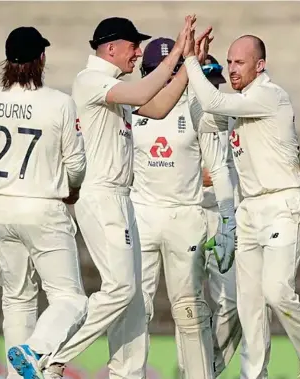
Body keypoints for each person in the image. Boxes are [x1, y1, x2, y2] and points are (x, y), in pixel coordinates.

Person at [42, 16, 208, 379]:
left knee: (133, 304)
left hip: (121, 198)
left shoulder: (113, 86)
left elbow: (159, 106)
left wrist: (189, 62)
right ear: (111, 47)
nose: (137, 54)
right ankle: (51, 359)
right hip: (100, 196)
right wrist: (177, 51)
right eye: (134, 46)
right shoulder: (90, 81)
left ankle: (126, 374)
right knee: (120, 289)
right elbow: (143, 93)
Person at [183, 33, 300, 378]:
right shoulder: (241, 103)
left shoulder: (269, 96)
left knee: (277, 291)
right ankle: (254, 374)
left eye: (240, 63)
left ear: (259, 65)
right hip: (249, 209)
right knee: (248, 304)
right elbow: (201, 118)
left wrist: (191, 60)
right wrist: (201, 71)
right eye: (229, 62)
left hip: (283, 202)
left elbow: (214, 105)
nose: (232, 69)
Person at [0, 26, 88, 379]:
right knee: (71, 300)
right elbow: (78, 165)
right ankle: (35, 350)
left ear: (8, 61)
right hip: (43, 207)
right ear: (41, 59)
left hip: (2, 206)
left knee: (17, 299)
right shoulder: (59, 103)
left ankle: (16, 374)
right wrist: (71, 189)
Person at [130, 38, 236, 379]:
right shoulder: (131, 109)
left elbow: (219, 167)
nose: (172, 78)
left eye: (177, 71)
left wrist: (228, 221)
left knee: (191, 310)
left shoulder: (195, 107)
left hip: (186, 216)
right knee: (136, 307)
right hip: (141, 215)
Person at [200, 54, 243, 376]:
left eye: (216, 83)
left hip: (224, 216)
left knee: (233, 302)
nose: (212, 89)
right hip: (183, 214)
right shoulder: (170, 112)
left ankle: (209, 369)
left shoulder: (231, 117)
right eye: (207, 82)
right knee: (187, 306)